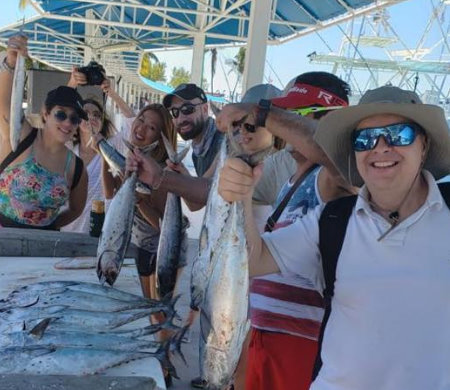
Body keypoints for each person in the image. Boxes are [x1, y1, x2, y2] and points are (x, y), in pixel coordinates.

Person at [217, 86, 450, 390]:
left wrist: (262, 114)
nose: (380, 147)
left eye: (399, 135)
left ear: (424, 145)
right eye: (365, 139)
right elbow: (253, 260)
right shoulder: (332, 221)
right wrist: (242, 197)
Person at [244, 72, 357, 390]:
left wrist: (262, 114)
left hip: (302, 342)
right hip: (265, 332)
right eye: (283, 113)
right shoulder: (293, 178)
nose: (281, 123)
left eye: (295, 115)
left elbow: (343, 165)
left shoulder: (331, 177)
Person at [0, 35, 88, 229]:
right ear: (45, 113)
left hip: (41, 252)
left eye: (75, 118)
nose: (67, 122)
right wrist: (11, 63)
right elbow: (4, 105)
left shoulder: (76, 168)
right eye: (61, 115)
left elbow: (76, 209)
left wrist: (48, 227)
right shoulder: (22, 136)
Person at [61, 69, 117, 233]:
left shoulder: (112, 148)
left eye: (96, 115)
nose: (90, 118)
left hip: (97, 232)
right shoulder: (67, 149)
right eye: (84, 114)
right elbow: (57, 113)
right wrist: (72, 84)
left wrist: (111, 92)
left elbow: (131, 122)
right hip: (66, 230)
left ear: (102, 122)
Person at [163, 83, 223, 177]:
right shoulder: (197, 153)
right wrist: (186, 177)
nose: (180, 119)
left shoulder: (223, 143)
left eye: (187, 109)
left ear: (204, 109)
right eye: (175, 112)